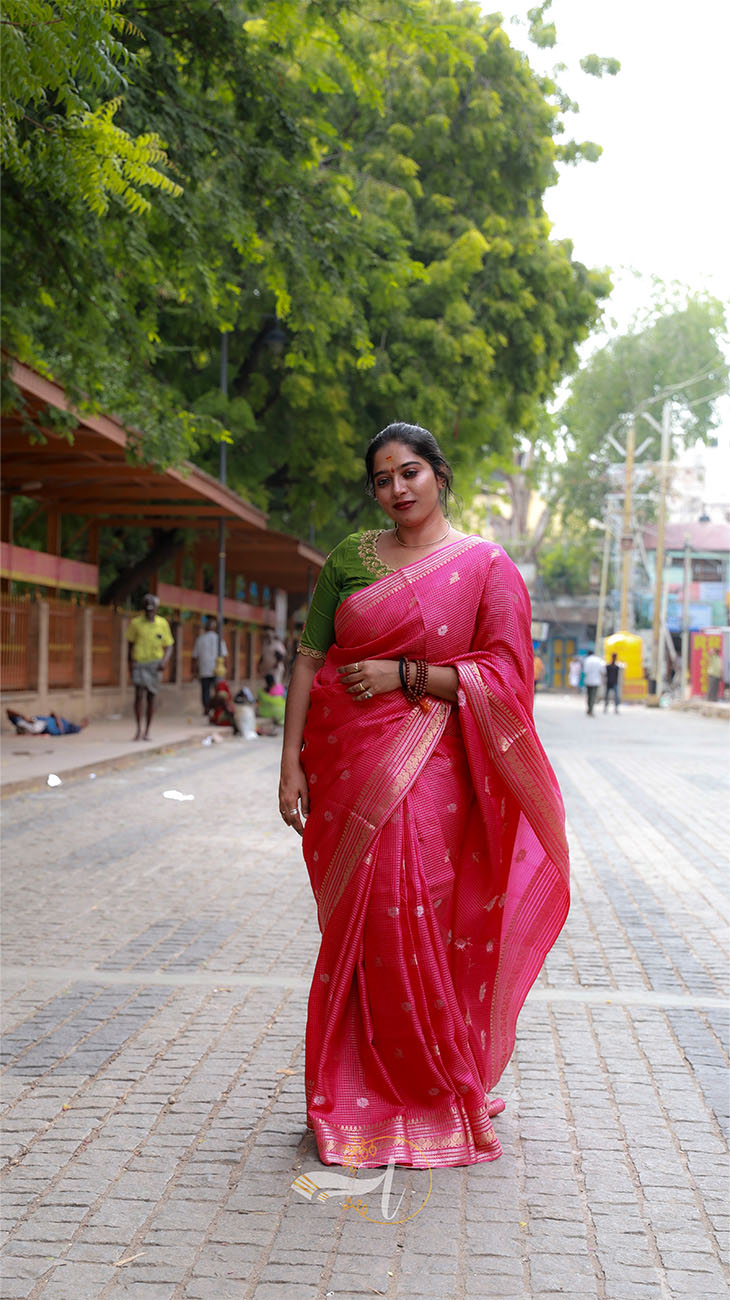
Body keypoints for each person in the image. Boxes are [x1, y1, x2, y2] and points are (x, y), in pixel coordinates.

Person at [278, 422, 569, 1170]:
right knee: (359, 925)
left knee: (414, 910)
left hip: (433, 768)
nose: (397, 489)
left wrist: (405, 675)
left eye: (410, 472)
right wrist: (289, 764)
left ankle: (430, 1087)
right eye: (382, 479)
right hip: (345, 765)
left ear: (439, 475)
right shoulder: (349, 557)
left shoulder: (486, 565)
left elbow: (506, 681)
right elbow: (310, 659)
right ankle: (353, 1082)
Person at [126, 594, 174, 740]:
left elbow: (170, 645)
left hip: (155, 664)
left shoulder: (162, 624)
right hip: (140, 663)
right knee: (139, 695)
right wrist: (130, 664)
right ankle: (138, 729)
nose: (149, 611)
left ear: (156, 609)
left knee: (151, 697)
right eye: (147, 608)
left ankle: (147, 730)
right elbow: (130, 644)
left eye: (152, 608)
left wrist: (164, 661)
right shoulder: (135, 623)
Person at [192, 617, 228, 714]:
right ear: (214, 628)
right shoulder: (220, 639)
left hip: (204, 669)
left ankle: (207, 708)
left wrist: (194, 670)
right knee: (218, 690)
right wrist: (226, 668)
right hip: (218, 669)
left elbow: (195, 657)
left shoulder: (200, 639)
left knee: (205, 691)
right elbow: (225, 656)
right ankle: (217, 709)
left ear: (205, 628)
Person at [6, 709, 87, 736]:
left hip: (42, 724)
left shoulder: (34, 722)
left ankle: (83, 724)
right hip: (43, 725)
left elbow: (53, 713)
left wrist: (25, 718)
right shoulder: (23, 722)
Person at [582, 648, 605, 717]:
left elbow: (585, 671)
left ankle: (589, 709)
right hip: (596, 681)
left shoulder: (587, 660)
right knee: (593, 696)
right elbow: (603, 671)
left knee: (589, 695)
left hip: (588, 680)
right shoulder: (599, 660)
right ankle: (591, 710)